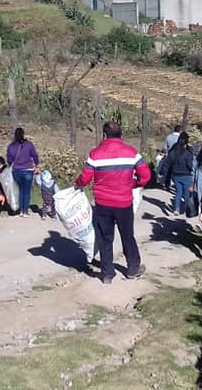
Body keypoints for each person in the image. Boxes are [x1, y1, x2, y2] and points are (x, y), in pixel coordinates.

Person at [75, 121, 151, 284]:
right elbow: (145, 176)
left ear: (104, 135)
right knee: (127, 236)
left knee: (105, 237)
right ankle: (132, 268)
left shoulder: (95, 154)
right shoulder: (132, 153)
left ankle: (107, 274)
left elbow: (85, 178)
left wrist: (78, 184)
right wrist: (133, 184)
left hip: (103, 203)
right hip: (124, 203)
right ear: (121, 135)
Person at [158, 132, 195, 215]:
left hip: (176, 174)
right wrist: (191, 170)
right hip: (186, 175)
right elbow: (189, 165)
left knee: (178, 192)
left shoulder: (174, 151)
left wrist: (163, 172)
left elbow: (167, 162)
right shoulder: (188, 152)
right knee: (186, 193)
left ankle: (176, 209)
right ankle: (185, 209)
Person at [7, 127, 40, 218]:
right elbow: (35, 156)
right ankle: (25, 211)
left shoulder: (11, 146)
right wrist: (36, 164)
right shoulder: (29, 144)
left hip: (16, 171)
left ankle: (21, 210)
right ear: (23, 134)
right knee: (26, 191)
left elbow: (9, 160)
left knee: (21, 190)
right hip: (28, 170)